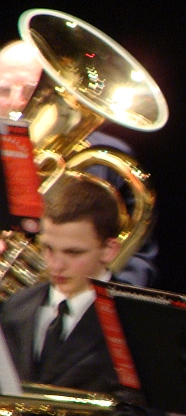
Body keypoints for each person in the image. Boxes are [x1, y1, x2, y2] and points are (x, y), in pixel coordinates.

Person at [0, 174, 162, 416]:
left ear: (109, 250)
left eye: (73, 253)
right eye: (48, 248)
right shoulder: (17, 307)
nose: (56, 265)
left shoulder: (136, 320)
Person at [0, 39, 159, 287]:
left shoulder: (105, 158)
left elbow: (137, 262)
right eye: (4, 90)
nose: (17, 101)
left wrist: (93, 295)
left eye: (30, 90)